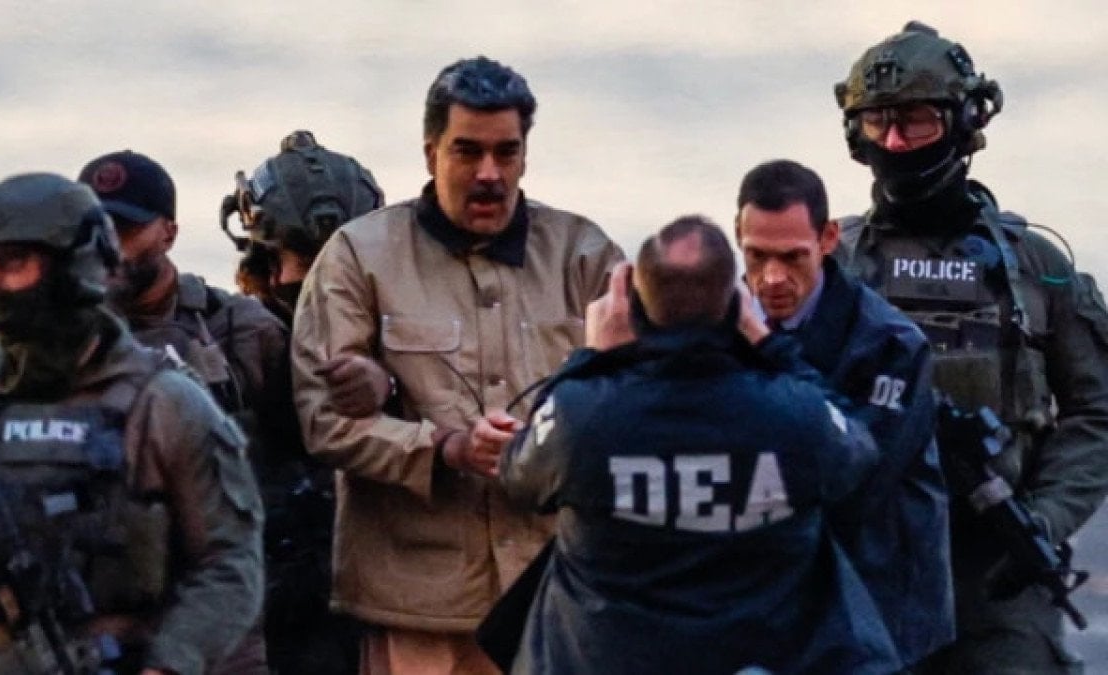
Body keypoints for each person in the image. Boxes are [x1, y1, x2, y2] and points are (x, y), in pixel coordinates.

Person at [291, 55, 623, 674]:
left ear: (525, 154)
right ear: (431, 152)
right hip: (417, 613)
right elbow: (326, 422)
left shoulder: (584, 255)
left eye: (506, 152)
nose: (489, 174)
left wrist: (555, 444)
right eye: (467, 152)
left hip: (555, 601)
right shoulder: (358, 258)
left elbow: (639, 400)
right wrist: (444, 449)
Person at [497, 215, 899, 674]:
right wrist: (768, 342)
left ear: (637, 310)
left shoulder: (582, 415)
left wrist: (591, 358)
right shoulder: (796, 414)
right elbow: (859, 455)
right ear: (734, 308)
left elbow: (519, 478)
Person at [834, 21, 1108, 673]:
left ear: (964, 123)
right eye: (878, 122)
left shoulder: (1036, 268)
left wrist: (1043, 518)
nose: (895, 142)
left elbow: (1098, 411)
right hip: (864, 558)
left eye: (917, 122)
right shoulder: (829, 264)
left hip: (996, 567)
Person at [0, 173, 263, 674]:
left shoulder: (163, 402)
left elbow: (230, 563)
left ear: (72, 265)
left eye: (12, 260)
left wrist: (170, 664)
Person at [733, 159, 952, 667]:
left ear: (828, 239)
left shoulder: (890, 344)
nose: (772, 278)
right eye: (757, 256)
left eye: (793, 257)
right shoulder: (716, 324)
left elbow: (853, 476)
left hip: (873, 603)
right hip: (761, 599)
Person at [77, 149, 288, 673]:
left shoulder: (240, 330)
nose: (110, 249)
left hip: (219, 613)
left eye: (127, 231)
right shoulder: (50, 341)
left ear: (168, 233)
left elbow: (303, 460)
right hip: (93, 615)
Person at [225, 131, 384, 674]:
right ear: (268, 266)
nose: (325, 286)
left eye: (339, 265)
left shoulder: (406, 344)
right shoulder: (233, 351)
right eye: (310, 262)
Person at [225, 129, 384, 328]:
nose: (331, 279)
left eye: (349, 264)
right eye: (308, 264)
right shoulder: (237, 338)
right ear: (267, 266)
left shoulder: (402, 329)